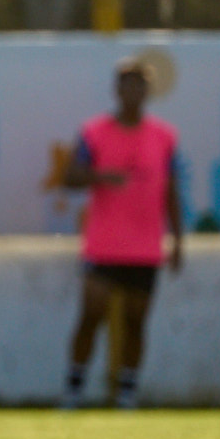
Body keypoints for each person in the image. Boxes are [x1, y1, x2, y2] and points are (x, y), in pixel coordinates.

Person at [59, 58, 183, 410]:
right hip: (104, 243)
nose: (133, 92)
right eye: (127, 85)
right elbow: (69, 178)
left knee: (135, 321)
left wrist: (177, 239)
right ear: (117, 90)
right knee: (91, 314)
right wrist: (100, 176)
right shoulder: (93, 132)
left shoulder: (164, 136)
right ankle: (74, 389)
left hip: (145, 246)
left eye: (139, 85)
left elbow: (171, 191)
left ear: (147, 91)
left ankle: (127, 393)